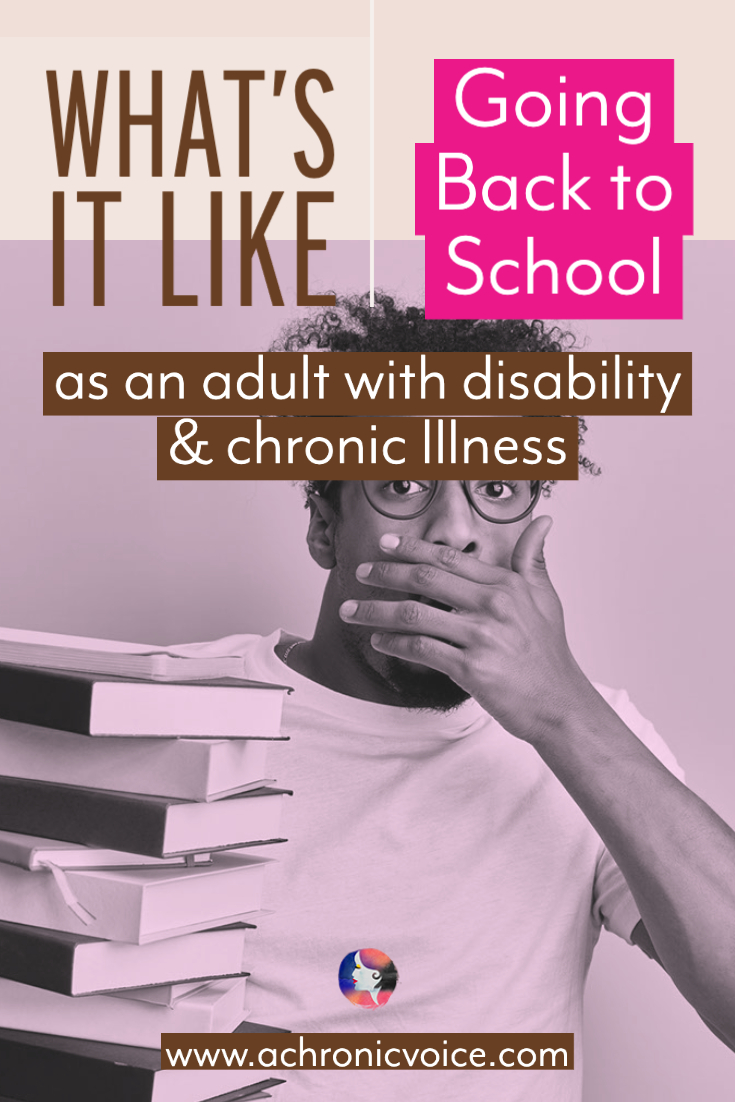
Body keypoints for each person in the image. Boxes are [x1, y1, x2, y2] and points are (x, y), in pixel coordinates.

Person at [186, 297, 735, 1100]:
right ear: (323, 525)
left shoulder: (591, 739)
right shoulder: (172, 712)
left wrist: (561, 712)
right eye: (402, 482)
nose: (455, 530)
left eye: (497, 487)